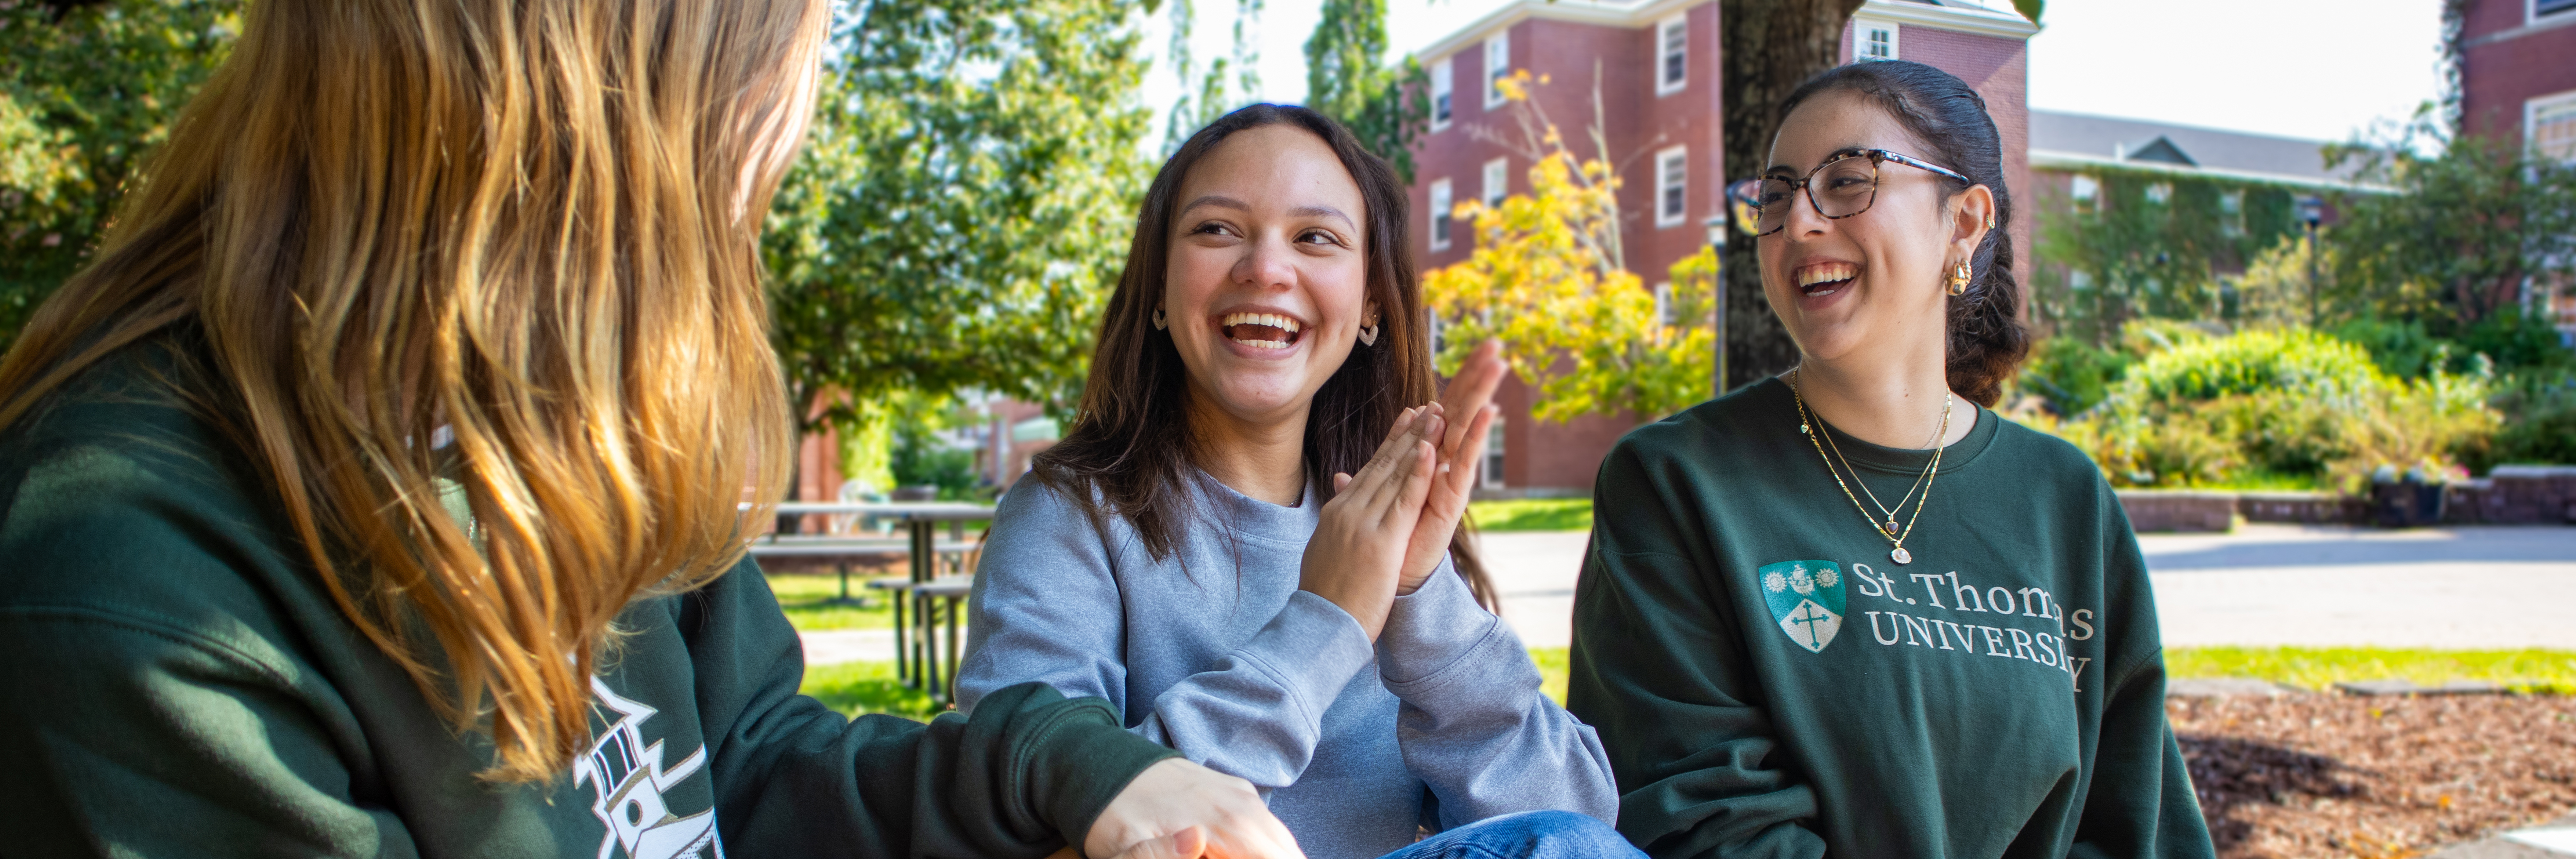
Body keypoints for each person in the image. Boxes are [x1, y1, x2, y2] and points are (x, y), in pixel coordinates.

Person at [0, 3, 1302, 858]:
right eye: (772, 84)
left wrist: (1077, 772)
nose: (782, 154)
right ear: (609, 112)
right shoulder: (144, 586)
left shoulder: (587, 431)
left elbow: (750, 767)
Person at [1565, 60, 2216, 859]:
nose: (1799, 223)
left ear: (1966, 222)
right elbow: (1697, 821)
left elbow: (2135, 819)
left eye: (1847, 181)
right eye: (1776, 197)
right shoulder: (1675, 484)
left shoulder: (2066, 499)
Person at [955, 104, 1630, 859]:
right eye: (1216, 230)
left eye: (1316, 238)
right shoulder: (1065, 516)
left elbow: (1577, 821)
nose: (1266, 269)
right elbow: (1031, 826)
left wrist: (1419, 597)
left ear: (1371, 303)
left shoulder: (1388, 520)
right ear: (1157, 288)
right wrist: (1326, 621)